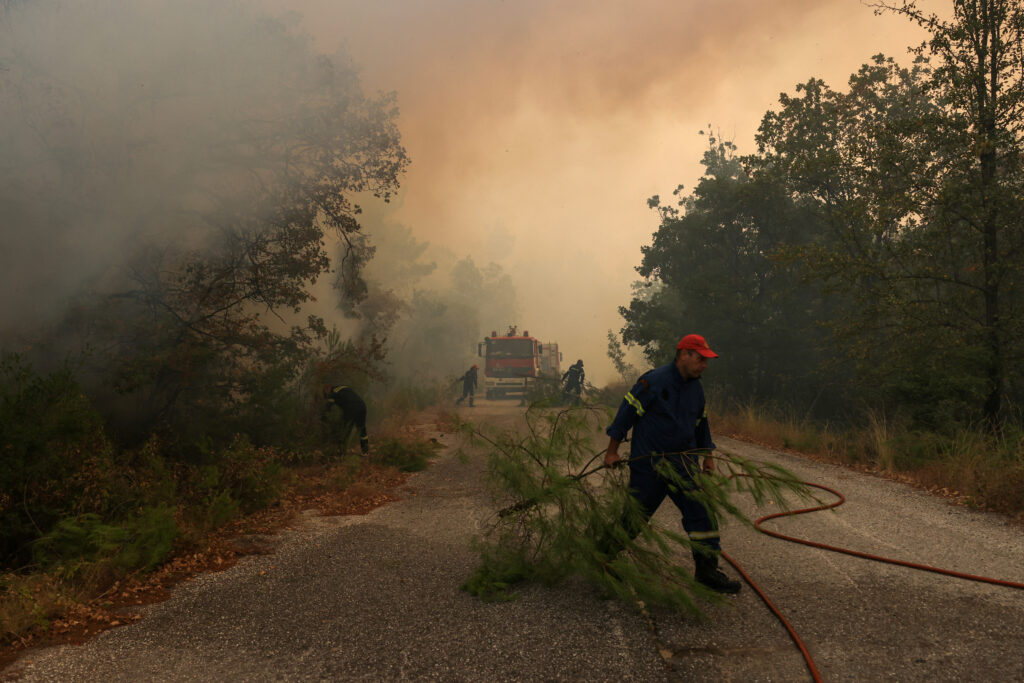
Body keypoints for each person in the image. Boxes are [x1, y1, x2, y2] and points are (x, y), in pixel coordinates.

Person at [603, 334, 741, 594]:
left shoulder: (696, 389)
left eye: (706, 361)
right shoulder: (653, 381)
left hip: (683, 465)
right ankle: (601, 559)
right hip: (649, 467)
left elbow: (701, 425)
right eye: (700, 359)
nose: (704, 366)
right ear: (684, 355)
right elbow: (626, 414)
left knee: (702, 514)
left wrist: (707, 458)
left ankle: (706, 571)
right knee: (634, 519)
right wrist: (612, 452)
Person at [322, 384, 369, 455]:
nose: (326, 396)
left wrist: (322, 417)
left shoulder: (333, 392)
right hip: (362, 406)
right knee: (362, 429)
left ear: (327, 388)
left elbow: (328, 407)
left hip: (351, 408)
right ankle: (365, 451)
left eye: (325, 394)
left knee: (344, 429)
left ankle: (341, 451)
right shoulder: (343, 388)